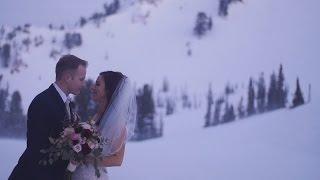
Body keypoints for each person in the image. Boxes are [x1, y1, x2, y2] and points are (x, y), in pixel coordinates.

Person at [9, 55, 87, 180]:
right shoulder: (43, 103)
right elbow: (37, 151)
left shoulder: (67, 104)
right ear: (67, 77)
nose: (83, 84)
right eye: (81, 79)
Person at [72, 71, 137, 180]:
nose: (92, 87)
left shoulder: (117, 123)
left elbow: (118, 160)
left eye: (97, 84)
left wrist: (85, 158)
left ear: (108, 91)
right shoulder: (98, 115)